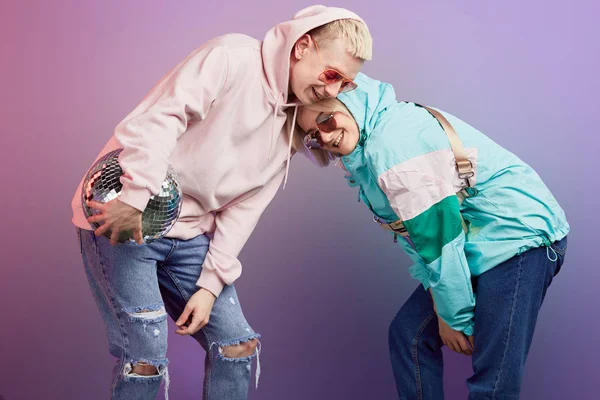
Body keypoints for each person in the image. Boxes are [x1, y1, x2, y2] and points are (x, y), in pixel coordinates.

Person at [71, 6, 373, 399]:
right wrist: (136, 195)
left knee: (236, 346)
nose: (332, 91)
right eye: (332, 74)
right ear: (302, 46)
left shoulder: (293, 126)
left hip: (190, 234)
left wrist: (210, 286)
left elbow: (243, 210)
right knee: (144, 359)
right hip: (126, 212)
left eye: (345, 85)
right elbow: (160, 119)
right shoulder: (232, 58)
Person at [293, 72, 569, 399]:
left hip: (518, 236)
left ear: (349, 100)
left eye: (325, 121)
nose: (324, 139)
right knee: (409, 336)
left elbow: (439, 239)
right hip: (476, 242)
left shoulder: (391, 144)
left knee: (493, 381)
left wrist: (454, 316)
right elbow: (418, 238)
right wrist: (444, 305)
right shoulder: (366, 154)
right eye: (313, 136)